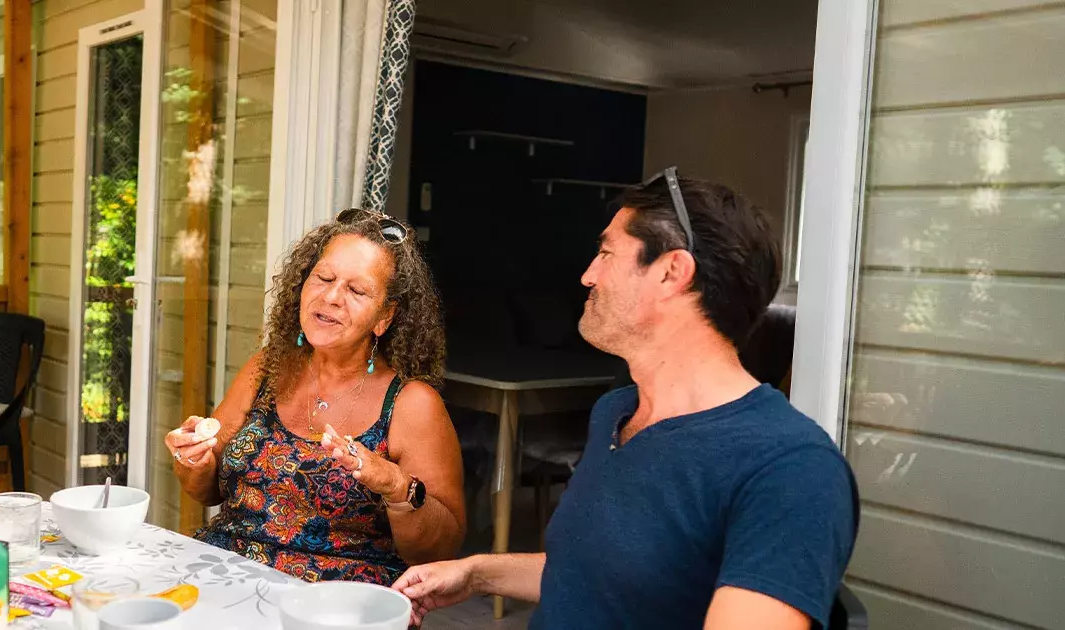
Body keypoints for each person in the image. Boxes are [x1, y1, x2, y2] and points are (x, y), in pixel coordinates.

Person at [394, 170, 858, 629]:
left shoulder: (789, 469)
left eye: (606, 253)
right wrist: (477, 573)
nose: (587, 275)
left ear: (672, 272)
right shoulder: (617, 413)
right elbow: (599, 574)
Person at [165, 209, 466, 586]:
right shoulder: (266, 369)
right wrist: (193, 459)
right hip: (230, 578)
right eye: (323, 278)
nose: (332, 297)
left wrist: (395, 486)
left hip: (338, 601)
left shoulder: (411, 403)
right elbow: (206, 492)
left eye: (356, 290)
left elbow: (440, 550)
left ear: (384, 318)